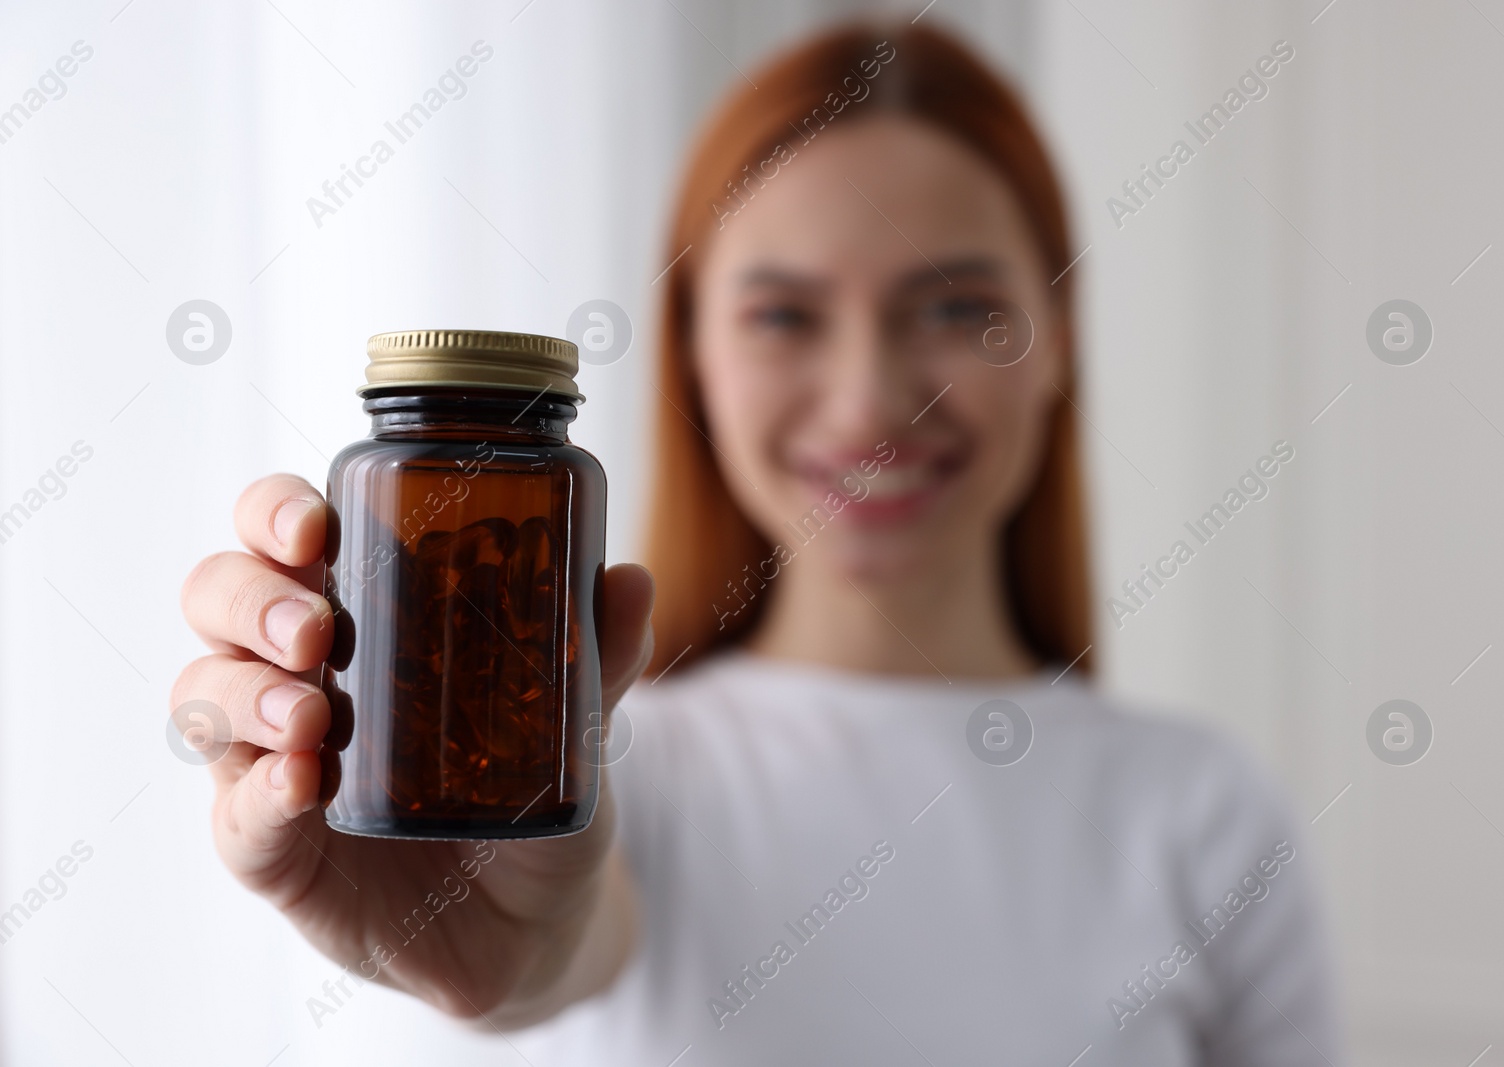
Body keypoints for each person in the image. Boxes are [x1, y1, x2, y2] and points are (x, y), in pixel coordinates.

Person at [173, 21, 1340, 1065]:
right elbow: (556, 941)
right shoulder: (598, 766)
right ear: (693, 356)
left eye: (953, 308)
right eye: (783, 313)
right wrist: (480, 941)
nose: (869, 401)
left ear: (1060, 339)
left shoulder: (1204, 808)